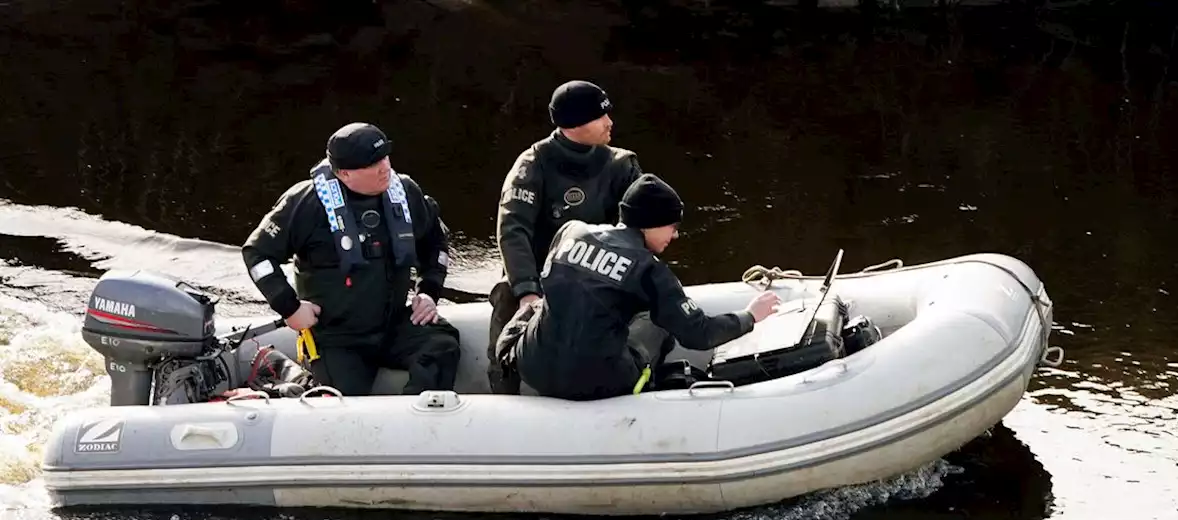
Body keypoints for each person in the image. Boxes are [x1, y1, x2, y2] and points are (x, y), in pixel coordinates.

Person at [496, 173, 781, 402]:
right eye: (672, 226)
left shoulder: (570, 230)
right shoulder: (650, 269)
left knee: (545, 307)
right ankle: (644, 395)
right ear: (651, 224)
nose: (676, 235)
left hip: (534, 366)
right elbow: (699, 334)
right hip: (596, 385)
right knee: (659, 324)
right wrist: (750, 316)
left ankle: (503, 386)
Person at [242, 122, 461, 396]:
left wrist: (428, 291)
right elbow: (257, 253)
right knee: (342, 401)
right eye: (372, 164)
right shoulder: (305, 203)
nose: (385, 168)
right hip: (337, 336)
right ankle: (287, 375)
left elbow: (436, 242)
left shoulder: (405, 193)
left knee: (442, 345)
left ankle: (415, 421)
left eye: (385, 157)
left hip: (392, 325)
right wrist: (290, 308)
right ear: (345, 173)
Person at [486, 79, 644, 394]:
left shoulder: (621, 165)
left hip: (597, 272)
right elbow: (512, 229)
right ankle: (503, 387)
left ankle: (631, 378)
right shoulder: (533, 165)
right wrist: (527, 291)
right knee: (506, 292)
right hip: (541, 276)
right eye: (601, 117)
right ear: (575, 124)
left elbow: (643, 226)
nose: (610, 123)